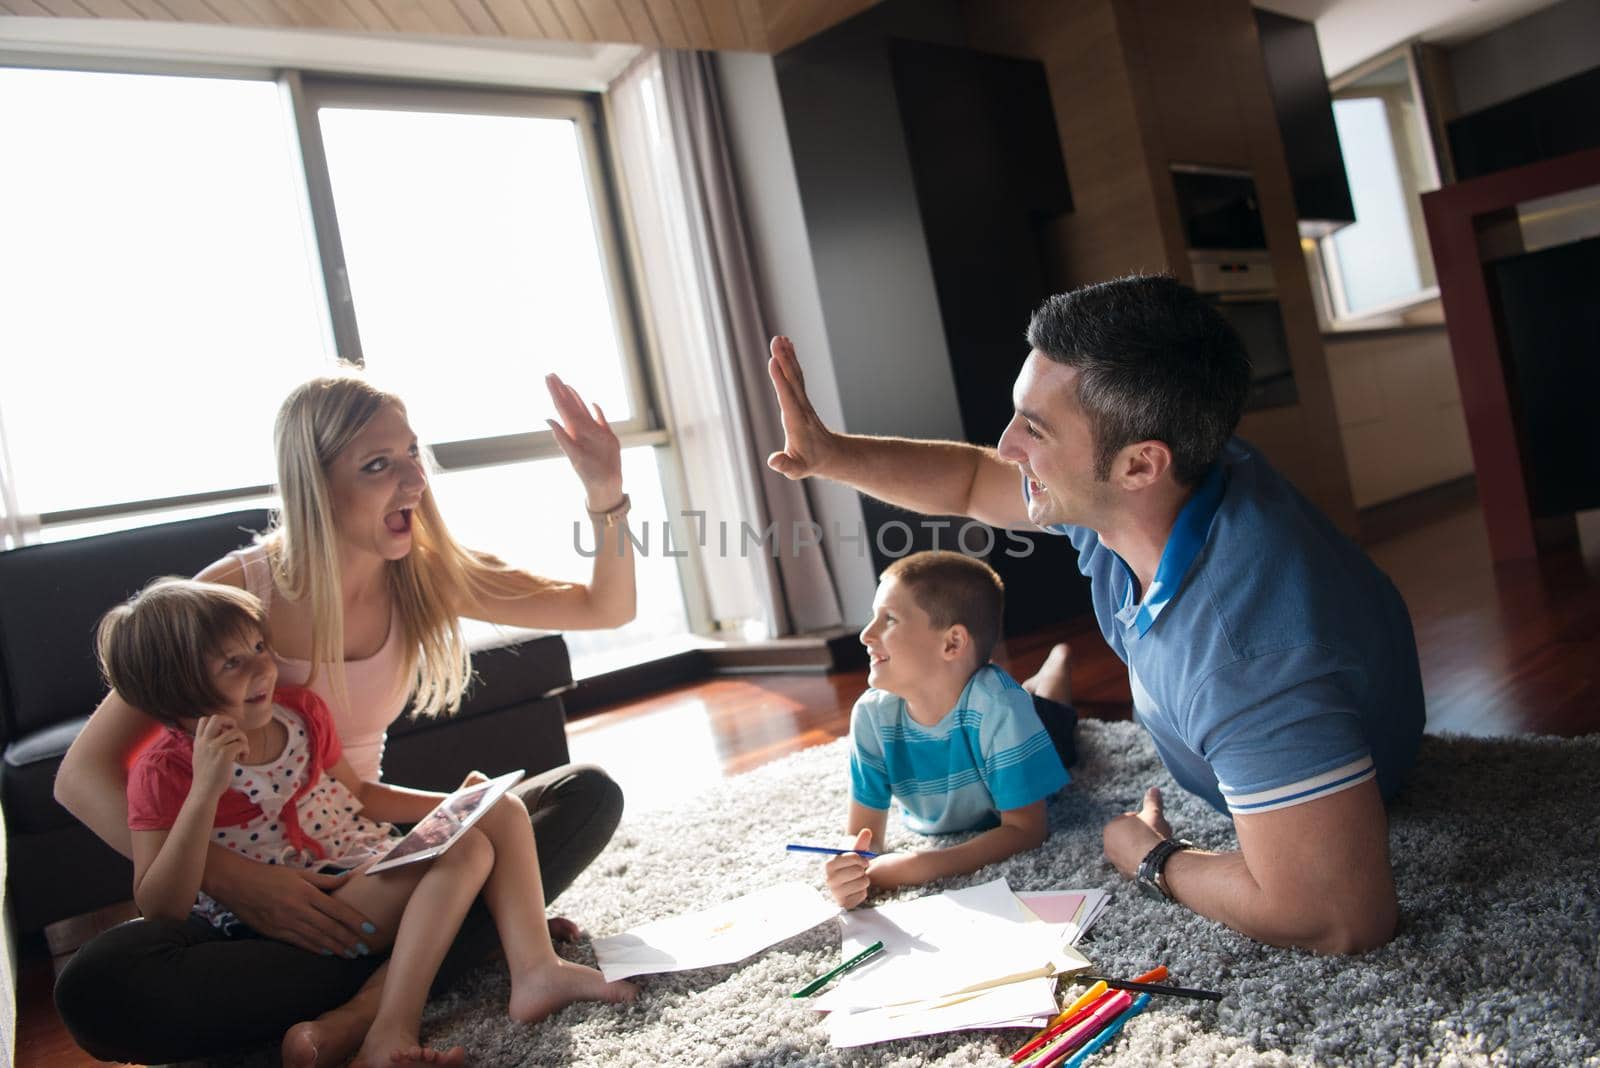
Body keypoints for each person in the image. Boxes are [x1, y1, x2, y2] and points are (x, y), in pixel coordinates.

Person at [767, 275, 1424, 955]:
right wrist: (832, 454)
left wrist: (1150, 857)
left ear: (1140, 465)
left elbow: (1339, 917)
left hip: (1331, 765)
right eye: (1020, 414)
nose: (1009, 444)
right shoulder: (1142, 488)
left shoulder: (1249, 652)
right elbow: (970, 482)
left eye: (1036, 430)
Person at [53, 368, 636, 1064]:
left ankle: (360, 1009)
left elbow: (606, 609)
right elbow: (81, 775)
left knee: (580, 795)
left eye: (413, 454)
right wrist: (241, 882)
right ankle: (472, 938)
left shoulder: (427, 571)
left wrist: (606, 494)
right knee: (97, 983)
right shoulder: (235, 596)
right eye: (379, 465)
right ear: (318, 486)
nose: (413, 480)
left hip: (367, 848)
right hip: (258, 895)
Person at [98, 578, 636, 1066]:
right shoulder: (165, 770)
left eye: (258, 648)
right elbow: (159, 904)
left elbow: (358, 794)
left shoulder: (300, 712)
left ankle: (529, 969)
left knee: (492, 817)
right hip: (313, 912)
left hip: (370, 866)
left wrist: (452, 805)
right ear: (176, 691)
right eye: (230, 664)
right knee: (474, 844)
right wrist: (204, 791)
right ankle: (400, 1024)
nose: (260, 668)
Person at [823, 551, 1070, 910]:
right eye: (872, 617)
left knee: (1052, 711)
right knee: (1030, 699)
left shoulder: (1002, 708)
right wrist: (849, 865)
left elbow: (1027, 829)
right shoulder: (871, 717)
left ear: (952, 643)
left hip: (1029, 725)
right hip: (992, 718)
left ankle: (1058, 660)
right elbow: (862, 835)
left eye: (888, 619)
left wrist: (921, 864)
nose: (865, 634)